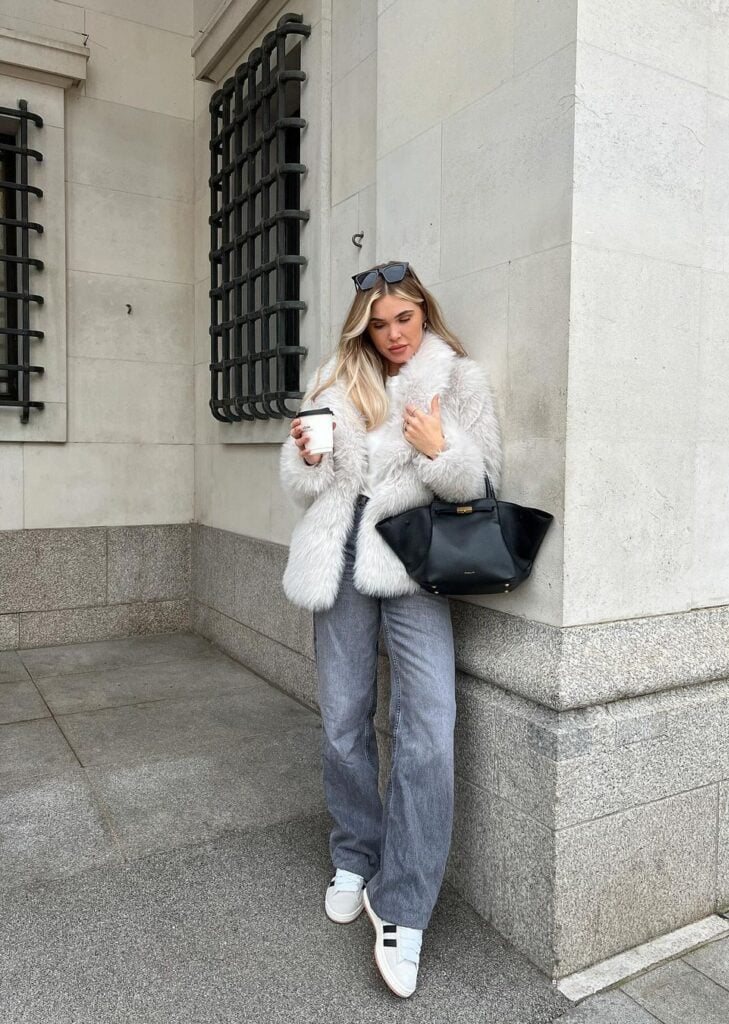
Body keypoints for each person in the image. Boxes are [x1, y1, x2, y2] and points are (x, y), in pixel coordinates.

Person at [278, 260, 502, 998]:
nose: (393, 334)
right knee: (343, 719)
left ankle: (402, 904)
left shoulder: (458, 380)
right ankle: (354, 853)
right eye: (378, 324)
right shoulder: (335, 380)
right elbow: (302, 485)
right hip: (338, 559)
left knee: (428, 728)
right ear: (362, 329)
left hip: (413, 564)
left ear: (423, 312)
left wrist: (440, 447)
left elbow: (483, 485)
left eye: (403, 318)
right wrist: (307, 457)